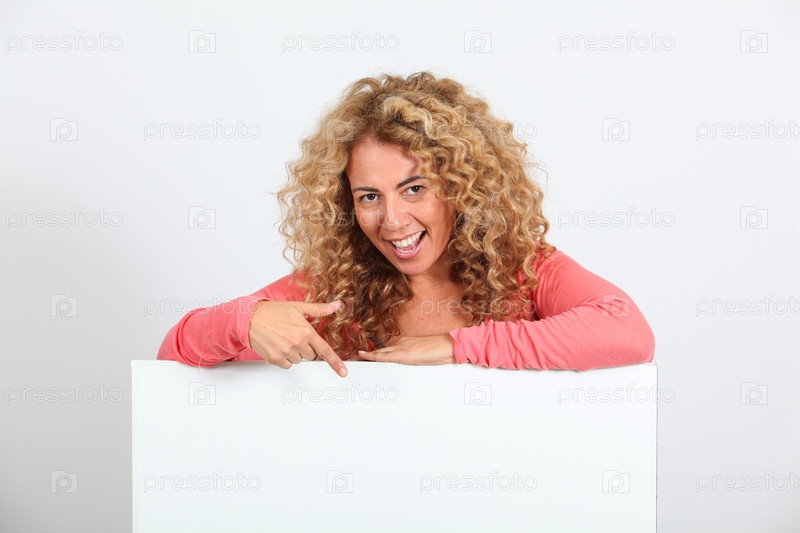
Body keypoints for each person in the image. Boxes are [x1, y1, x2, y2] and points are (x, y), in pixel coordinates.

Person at [157, 71, 655, 378]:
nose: (393, 221)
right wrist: (245, 319)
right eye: (369, 197)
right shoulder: (333, 288)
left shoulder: (525, 269)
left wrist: (457, 346)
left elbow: (627, 331)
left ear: (462, 186)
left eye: (415, 188)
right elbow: (172, 358)